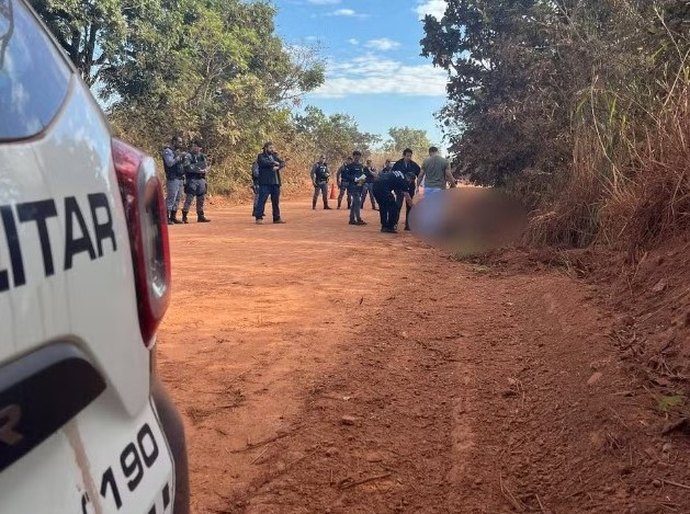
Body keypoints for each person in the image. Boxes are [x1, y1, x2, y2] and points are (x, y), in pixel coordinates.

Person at [255, 142, 286, 224]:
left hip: (275, 183)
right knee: (262, 200)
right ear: (265, 148)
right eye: (270, 148)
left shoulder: (274, 156)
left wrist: (278, 167)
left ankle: (276, 218)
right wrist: (273, 163)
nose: (272, 149)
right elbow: (264, 163)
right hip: (265, 183)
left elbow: (282, 163)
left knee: (275, 201)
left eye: (273, 148)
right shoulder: (261, 156)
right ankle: (259, 217)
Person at [181, 140, 211, 223]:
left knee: (201, 198)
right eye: (194, 146)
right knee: (189, 198)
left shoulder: (201, 156)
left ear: (200, 148)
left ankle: (200, 216)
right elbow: (187, 167)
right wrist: (198, 169)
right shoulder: (188, 156)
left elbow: (207, 165)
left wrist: (205, 170)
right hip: (192, 179)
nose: (195, 148)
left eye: (197, 146)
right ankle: (184, 216)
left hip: (201, 178)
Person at [392, 148, 422, 231]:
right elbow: (393, 174)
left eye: (410, 156)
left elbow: (420, 174)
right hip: (399, 187)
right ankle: (394, 223)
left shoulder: (414, 165)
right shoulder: (398, 164)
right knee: (398, 205)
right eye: (407, 156)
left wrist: (418, 184)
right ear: (403, 155)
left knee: (409, 205)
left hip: (410, 187)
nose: (409, 157)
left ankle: (408, 224)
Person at [343, 151, 367, 226]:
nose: (357, 157)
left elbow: (363, 175)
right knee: (358, 202)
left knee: (354, 203)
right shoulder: (349, 166)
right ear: (353, 156)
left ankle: (351, 219)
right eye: (355, 156)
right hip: (352, 186)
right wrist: (354, 178)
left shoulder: (361, 166)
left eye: (358, 156)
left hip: (359, 186)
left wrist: (361, 183)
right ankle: (358, 219)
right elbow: (346, 176)